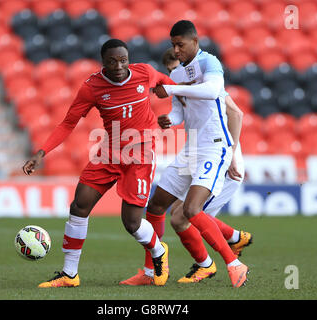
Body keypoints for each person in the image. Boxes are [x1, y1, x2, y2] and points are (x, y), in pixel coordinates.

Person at [22, 38, 177, 288]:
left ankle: (159, 251)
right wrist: (42, 153)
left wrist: (173, 108)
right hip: (109, 153)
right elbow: (68, 123)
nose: (118, 66)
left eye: (123, 60)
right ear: (103, 62)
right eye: (112, 61)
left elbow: (169, 84)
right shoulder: (92, 87)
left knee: (132, 224)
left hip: (140, 156)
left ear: (129, 59)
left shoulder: (144, 73)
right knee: (79, 205)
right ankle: (69, 274)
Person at [120, 20, 249, 288]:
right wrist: (170, 117)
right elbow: (182, 109)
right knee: (155, 205)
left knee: (190, 209)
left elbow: (212, 91)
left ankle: (234, 263)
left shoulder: (209, 63)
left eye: (180, 44)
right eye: (173, 45)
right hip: (190, 148)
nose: (176, 50)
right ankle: (150, 269)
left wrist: (172, 89)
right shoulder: (177, 75)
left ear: (194, 41)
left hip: (214, 146)